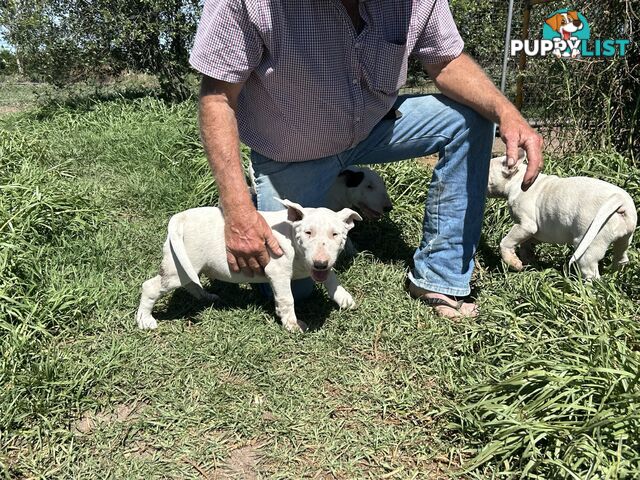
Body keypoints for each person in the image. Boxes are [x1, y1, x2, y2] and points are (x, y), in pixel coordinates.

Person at [189, 0, 543, 318]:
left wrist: (506, 112)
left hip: (373, 127)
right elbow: (217, 98)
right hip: (293, 152)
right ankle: (260, 198)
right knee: (293, 284)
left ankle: (440, 276)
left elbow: (445, 60)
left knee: (471, 118)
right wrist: (237, 212)